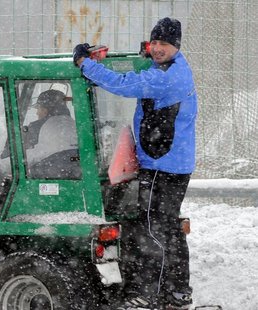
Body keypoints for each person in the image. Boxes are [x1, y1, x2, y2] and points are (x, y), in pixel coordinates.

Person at [73, 17, 196, 310]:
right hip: (172, 162)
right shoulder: (174, 67)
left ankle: (149, 294)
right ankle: (178, 292)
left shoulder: (164, 78)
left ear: (175, 45)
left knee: (153, 229)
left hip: (162, 166)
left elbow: (123, 84)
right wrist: (148, 56)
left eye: (163, 44)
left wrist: (84, 64)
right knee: (169, 228)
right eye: (153, 43)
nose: (156, 49)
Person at [23, 89, 79, 178]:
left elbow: (28, 157)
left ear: (45, 110)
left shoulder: (37, 127)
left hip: (50, 179)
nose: (37, 113)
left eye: (39, 109)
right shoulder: (75, 125)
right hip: (76, 176)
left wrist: (1, 161)